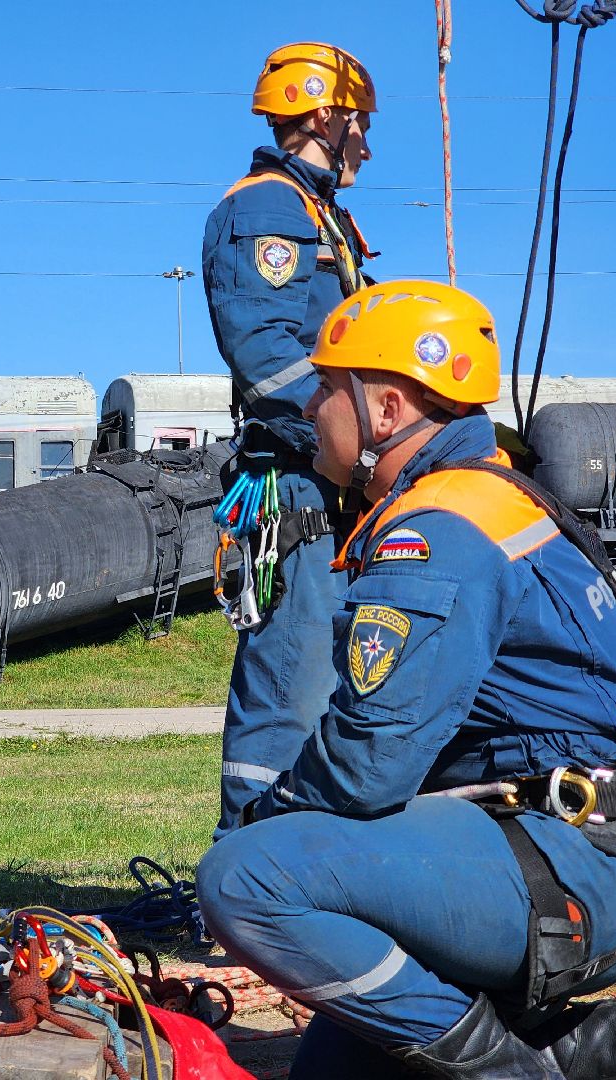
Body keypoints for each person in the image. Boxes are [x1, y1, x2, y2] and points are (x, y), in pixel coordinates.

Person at [196, 280, 616, 1078]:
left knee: (245, 878)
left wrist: (265, 819)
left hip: (575, 861)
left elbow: (367, 760)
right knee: (333, 1068)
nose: (311, 405)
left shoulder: (439, 526)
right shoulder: (479, 499)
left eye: (326, 385)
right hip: (576, 848)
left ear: (385, 410)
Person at [203, 42, 379, 838]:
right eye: (360, 124)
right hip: (301, 485)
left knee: (345, 680)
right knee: (290, 685)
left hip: (337, 485)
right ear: (322, 115)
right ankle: (248, 872)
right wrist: (355, 442)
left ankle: (310, 871)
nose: (366, 143)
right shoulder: (270, 209)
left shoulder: (322, 215)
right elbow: (266, 351)